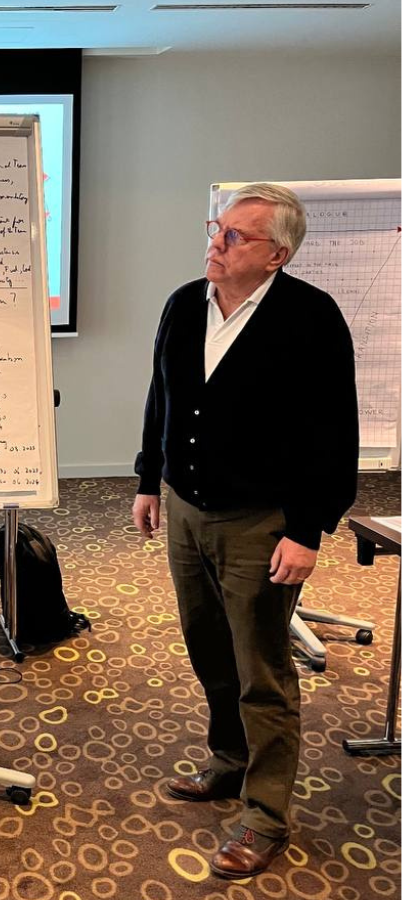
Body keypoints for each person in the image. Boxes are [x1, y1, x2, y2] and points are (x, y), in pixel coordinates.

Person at [132, 182, 357, 880]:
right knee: (208, 647)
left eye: (236, 236)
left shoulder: (311, 318)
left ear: (277, 254)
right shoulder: (183, 303)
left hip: (262, 523)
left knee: (261, 669)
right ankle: (229, 761)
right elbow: (162, 398)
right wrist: (148, 480)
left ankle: (265, 814)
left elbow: (333, 433)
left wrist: (307, 531)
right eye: (216, 228)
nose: (216, 243)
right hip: (186, 509)